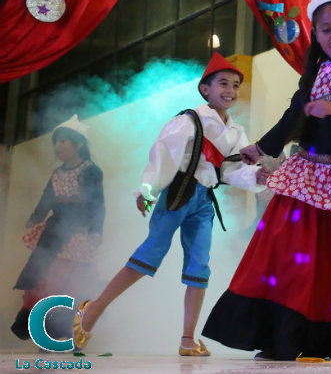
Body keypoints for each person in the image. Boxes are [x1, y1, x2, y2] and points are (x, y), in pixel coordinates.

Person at [202, 0, 331, 362]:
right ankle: (284, 336)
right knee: (289, 253)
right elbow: (295, 113)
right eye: (325, 29)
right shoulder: (313, 70)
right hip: (311, 174)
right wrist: (261, 148)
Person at [72, 53, 268, 356]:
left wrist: (258, 175)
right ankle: (94, 308)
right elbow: (163, 155)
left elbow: (231, 171)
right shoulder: (188, 120)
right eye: (223, 83)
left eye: (236, 85)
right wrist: (148, 191)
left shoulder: (236, 132)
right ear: (206, 89)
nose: (230, 90)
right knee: (150, 255)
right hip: (179, 193)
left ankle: (187, 339)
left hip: (204, 201)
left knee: (200, 265)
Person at [12, 116, 104, 341]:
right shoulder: (57, 173)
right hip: (55, 230)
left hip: (77, 231)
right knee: (41, 273)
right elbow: (47, 198)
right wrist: (36, 217)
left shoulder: (91, 170)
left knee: (68, 277)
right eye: (56, 142)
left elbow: (97, 202)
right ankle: (36, 323)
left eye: (63, 141)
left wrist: (95, 229)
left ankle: (63, 326)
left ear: (79, 144)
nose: (58, 146)